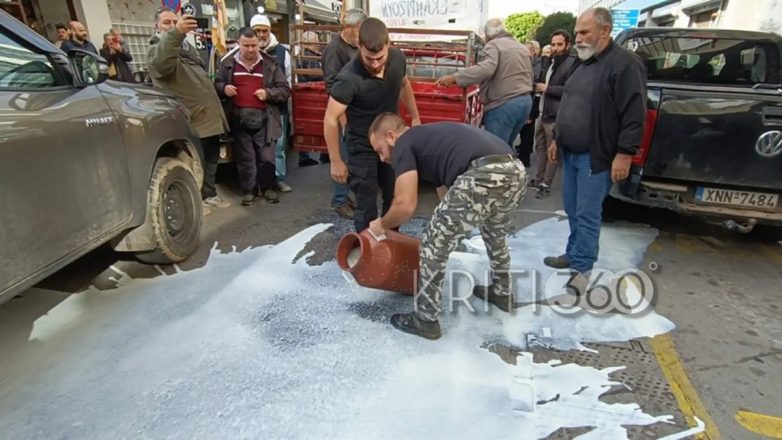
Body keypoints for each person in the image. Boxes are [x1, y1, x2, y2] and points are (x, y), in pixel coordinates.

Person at [367, 114, 527, 340]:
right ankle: (502, 292)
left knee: (432, 243)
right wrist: (446, 225)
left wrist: (380, 225)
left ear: (391, 136)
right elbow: (446, 190)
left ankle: (425, 319)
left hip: (484, 173)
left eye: (379, 149)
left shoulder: (404, 143)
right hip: (514, 170)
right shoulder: (429, 139)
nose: (382, 158)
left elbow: (405, 204)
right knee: (494, 234)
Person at [544, 8, 646, 293]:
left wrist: (625, 152)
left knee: (588, 214)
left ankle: (582, 270)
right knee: (573, 210)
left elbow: (634, 112)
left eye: (584, 32)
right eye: (577, 32)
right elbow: (569, 103)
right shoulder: (582, 62)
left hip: (597, 155)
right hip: (572, 152)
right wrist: (557, 139)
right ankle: (574, 253)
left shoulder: (624, 64)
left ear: (605, 30)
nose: (578, 38)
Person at [324, 18, 421, 233]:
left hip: (391, 140)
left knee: (393, 195)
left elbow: (405, 84)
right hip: (361, 144)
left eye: (380, 58)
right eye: (369, 58)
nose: (375, 64)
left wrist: (415, 116)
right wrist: (335, 161)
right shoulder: (348, 78)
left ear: (389, 45)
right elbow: (330, 118)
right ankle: (365, 253)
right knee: (366, 200)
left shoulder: (398, 59)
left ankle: (391, 244)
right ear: (359, 46)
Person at [148, 7, 231, 214]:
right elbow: (162, 63)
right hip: (189, 119)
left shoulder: (185, 47)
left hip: (206, 117)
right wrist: (177, 32)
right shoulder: (159, 49)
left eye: (174, 21)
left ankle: (209, 195)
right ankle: (195, 202)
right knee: (193, 162)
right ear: (156, 26)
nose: (172, 26)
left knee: (210, 159)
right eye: (167, 22)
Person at [215, 27, 290, 206]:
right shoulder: (228, 64)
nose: (250, 49)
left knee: (266, 156)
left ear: (259, 44)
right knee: (245, 157)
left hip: (265, 117)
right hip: (239, 117)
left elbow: (285, 89)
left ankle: (268, 188)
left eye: (254, 45)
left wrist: (268, 93)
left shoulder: (270, 64)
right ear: (238, 44)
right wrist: (224, 88)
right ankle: (250, 190)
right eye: (246, 45)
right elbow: (216, 83)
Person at [435, 19, 533, 147]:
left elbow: (486, 68)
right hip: (524, 102)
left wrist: (456, 77)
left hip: (504, 104)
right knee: (506, 148)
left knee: (495, 150)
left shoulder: (494, 45)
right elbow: (530, 74)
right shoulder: (521, 47)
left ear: (488, 35)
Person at [321, 8, 367, 220]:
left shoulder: (355, 46)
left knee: (354, 155)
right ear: (349, 28)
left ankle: (347, 196)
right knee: (343, 156)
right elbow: (332, 85)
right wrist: (342, 118)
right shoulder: (335, 49)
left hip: (356, 110)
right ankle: (339, 201)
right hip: (343, 111)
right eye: (360, 30)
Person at [531, 29, 576, 198]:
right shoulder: (551, 62)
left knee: (552, 151)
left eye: (560, 44)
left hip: (556, 116)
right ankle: (538, 178)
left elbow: (571, 90)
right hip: (543, 113)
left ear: (567, 45)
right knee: (540, 148)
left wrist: (548, 89)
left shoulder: (571, 63)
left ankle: (546, 183)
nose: (556, 48)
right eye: (554, 44)